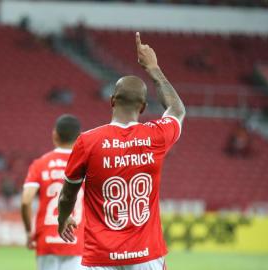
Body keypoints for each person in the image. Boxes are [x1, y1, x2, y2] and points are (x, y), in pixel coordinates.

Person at [57, 32, 186, 270]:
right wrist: (154, 68)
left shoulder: (88, 141)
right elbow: (177, 110)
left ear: (112, 100)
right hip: (146, 256)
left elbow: (67, 195)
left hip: (100, 258)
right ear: (145, 107)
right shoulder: (156, 136)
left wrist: (63, 218)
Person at [21, 114, 84, 270]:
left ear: (55, 134)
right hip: (77, 240)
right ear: (79, 137)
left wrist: (30, 231)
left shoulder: (40, 163)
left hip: (46, 241)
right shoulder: (86, 164)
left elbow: (26, 201)